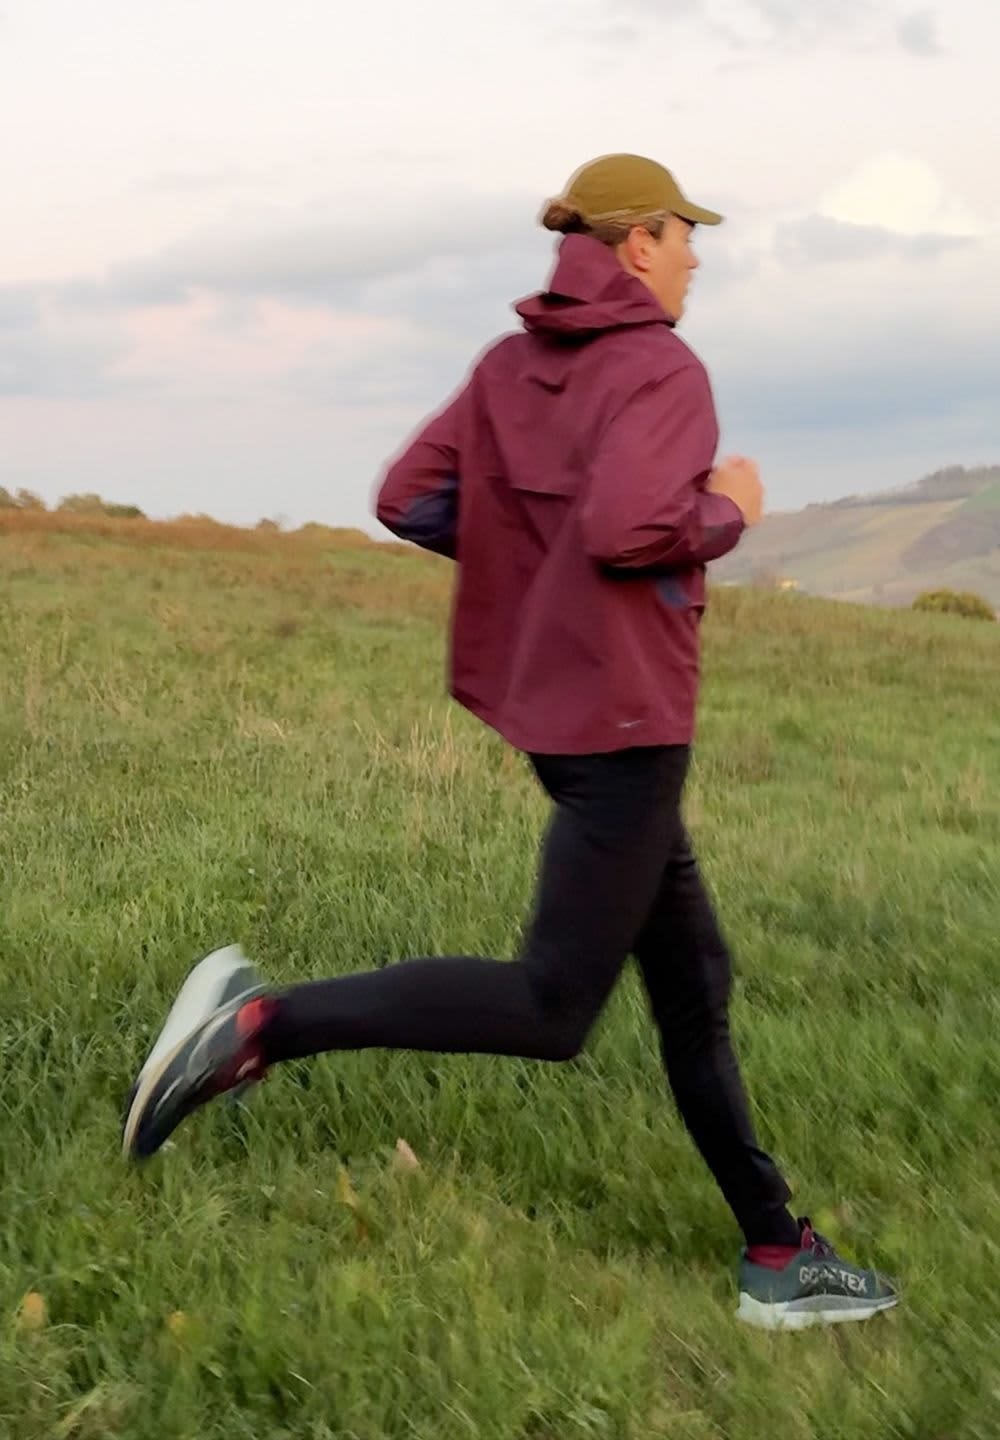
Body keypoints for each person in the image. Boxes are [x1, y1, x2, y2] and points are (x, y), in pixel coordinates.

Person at [122, 154, 898, 1331]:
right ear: (637, 240)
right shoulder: (660, 366)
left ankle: (778, 1251)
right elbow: (637, 521)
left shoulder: (506, 365)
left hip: (567, 721)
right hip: (627, 727)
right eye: (687, 235)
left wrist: (534, 583)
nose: (695, 256)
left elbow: (407, 496)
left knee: (693, 982)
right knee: (551, 1008)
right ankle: (261, 1027)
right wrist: (731, 507)